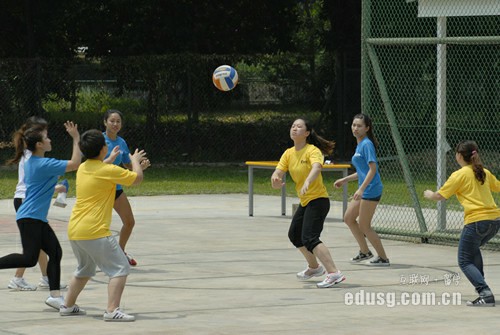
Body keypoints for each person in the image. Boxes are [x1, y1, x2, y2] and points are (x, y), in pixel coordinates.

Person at [60, 129, 150, 320]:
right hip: (95, 231)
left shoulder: (84, 168)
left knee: (84, 270)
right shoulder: (107, 170)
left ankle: (67, 305)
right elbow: (137, 179)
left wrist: (111, 159)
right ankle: (112, 310)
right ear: (103, 149)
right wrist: (134, 160)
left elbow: (101, 169)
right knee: (120, 268)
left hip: (76, 230)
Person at [0, 120, 81, 310]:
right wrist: (76, 138)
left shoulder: (36, 162)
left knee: (55, 252)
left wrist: (56, 188)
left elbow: (41, 187)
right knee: (29, 258)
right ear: (39, 145)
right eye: (46, 138)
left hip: (35, 217)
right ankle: (53, 294)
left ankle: (55, 296)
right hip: (30, 218)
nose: (50, 140)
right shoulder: (43, 163)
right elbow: (75, 164)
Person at [424, 140, 500, 307]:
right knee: (472, 251)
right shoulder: (484, 172)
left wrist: (429, 194)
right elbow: (498, 187)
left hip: (476, 222)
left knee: (464, 260)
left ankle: (485, 293)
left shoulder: (459, 175)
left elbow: (440, 196)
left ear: (459, 156)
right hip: (494, 221)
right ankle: (481, 287)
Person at [271, 118, 345, 288]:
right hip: (306, 201)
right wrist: (275, 178)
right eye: (293, 126)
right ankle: (314, 267)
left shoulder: (312, 150)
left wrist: (308, 181)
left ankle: (334, 273)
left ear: (306, 133)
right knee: (295, 235)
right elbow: (278, 171)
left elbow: (317, 167)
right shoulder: (289, 153)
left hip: (318, 200)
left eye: (299, 127)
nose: (294, 129)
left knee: (310, 237)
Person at [6, 117, 68, 291]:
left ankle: (46, 278)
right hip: (25, 200)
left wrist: (54, 187)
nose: (48, 138)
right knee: (33, 249)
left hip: (25, 199)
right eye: (45, 134)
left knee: (39, 246)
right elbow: (31, 183)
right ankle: (20, 278)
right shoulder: (31, 157)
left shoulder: (30, 154)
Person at [333, 113, 389, 266]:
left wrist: (362, 189)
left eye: (359, 126)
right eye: (354, 125)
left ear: (367, 128)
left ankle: (383, 258)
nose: (355, 128)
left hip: (371, 189)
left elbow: (373, 170)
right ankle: (365, 252)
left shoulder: (366, 144)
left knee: (364, 225)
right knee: (349, 218)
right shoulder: (360, 144)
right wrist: (345, 180)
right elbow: (363, 171)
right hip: (365, 189)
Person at [102, 109, 138, 266]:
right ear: (105, 122)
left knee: (129, 222)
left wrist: (139, 165)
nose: (115, 124)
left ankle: (120, 253)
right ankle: (95, 258)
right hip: (100, 190)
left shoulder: (121, 142)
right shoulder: (99, 140)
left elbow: (128, 165)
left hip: (115, 189)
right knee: (100, 227)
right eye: (112, 121)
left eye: (118, 121)